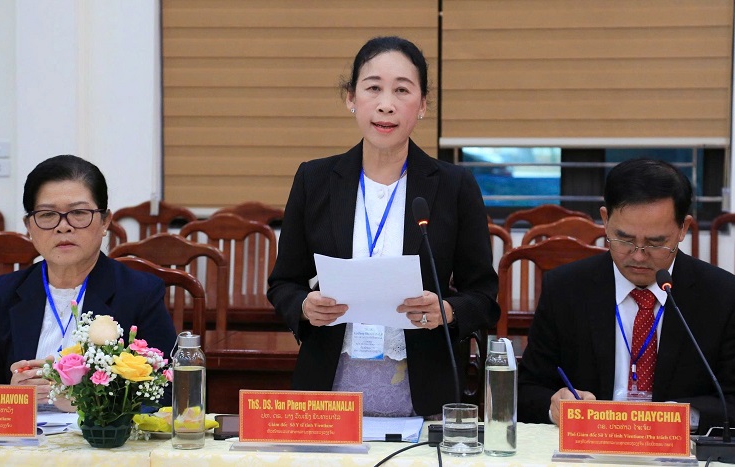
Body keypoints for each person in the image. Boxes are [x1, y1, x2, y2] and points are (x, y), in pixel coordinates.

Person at [267, 36, 499, 417]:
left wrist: (447, 310)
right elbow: (283, 284)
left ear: (422, 105)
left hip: (425, 393)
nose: (386, 104)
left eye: (402, 90)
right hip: (328, 391)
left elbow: (484, 296)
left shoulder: (454, 186)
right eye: (373, 88)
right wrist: (305, 306)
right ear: (351, 97)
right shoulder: (314, 180)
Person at [518, 158, 735, 433]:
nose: (638, 256)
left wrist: (680, 416)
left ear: (683, 228)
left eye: (655, 243)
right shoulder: (565, 289)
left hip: (677, 447)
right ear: (605, 220)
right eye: (625, 240)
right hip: (589, 444)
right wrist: (555, 406)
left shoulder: (722, 296)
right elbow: (527, 390)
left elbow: (731, 399)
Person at [0, 155, 178, 411]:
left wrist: (89, 401)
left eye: (78, 213)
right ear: (29, 227)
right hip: (26, 434)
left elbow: (169, 393)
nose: (63, 227)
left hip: (102, 435)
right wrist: (12, 396)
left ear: (105, 222)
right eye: (47, 214)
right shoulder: (3, 293)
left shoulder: (139, 292)